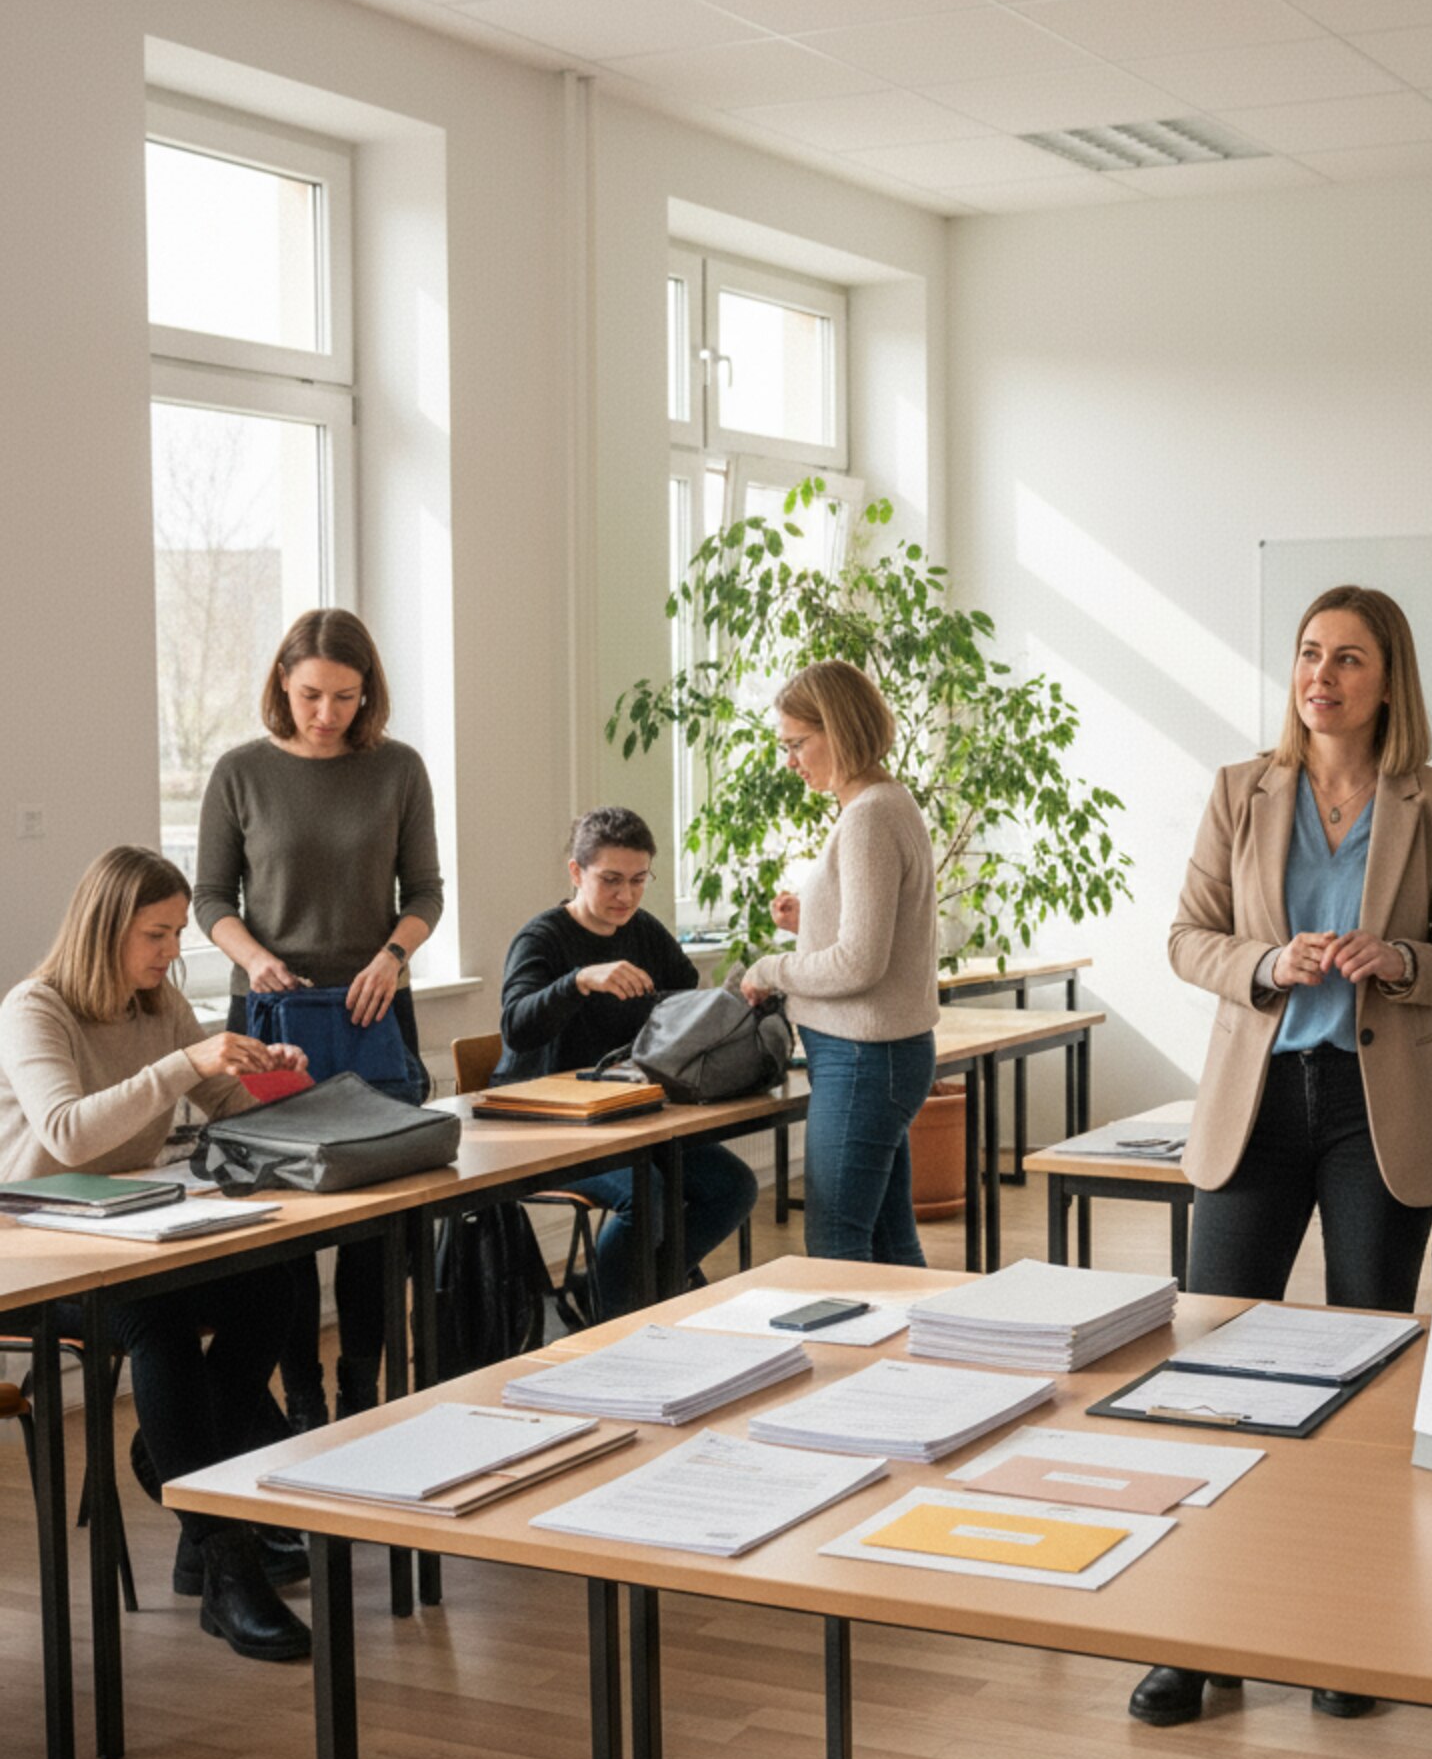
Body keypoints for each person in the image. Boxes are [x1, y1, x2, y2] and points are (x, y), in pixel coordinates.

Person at [1132, 583, 1432, 1731]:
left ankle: (1348, 1629)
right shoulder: (1242, 790)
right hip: (1258, 1099)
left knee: (1364, 1361)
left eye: (1345, 658)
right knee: (1211, 1360)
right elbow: (1187, 936)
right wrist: (1266, 962)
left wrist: (1394, 957)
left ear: (1387, 680)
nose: (1319, 676)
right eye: (1305, 654)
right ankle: (1196, 1635)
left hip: (1371, 1108)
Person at [0, 848, 315, 1661]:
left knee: (272, 1285)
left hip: (134, 1231)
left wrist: (274, 1076)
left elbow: (224, 1102)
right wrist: (184, 1062)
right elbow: (66, 1131)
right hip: (40, 1253)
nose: (170, 950)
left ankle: (174, 1456)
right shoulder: (35, 1008)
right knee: (159, 1319)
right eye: (156, 933)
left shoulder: (158, 1001)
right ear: (105, 927)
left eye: (177, 932)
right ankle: (224, 1557)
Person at [193, 607, 444, 1426]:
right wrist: (251, 955)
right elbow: (207, 897)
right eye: (309, 695)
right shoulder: (239, 772)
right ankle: (302, 1399)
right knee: (289, 1221)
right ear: (281, 684)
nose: (326, 714)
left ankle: (360, 1389)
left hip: (374, 1010)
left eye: (343, 696)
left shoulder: (398, 769)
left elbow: (426, 892)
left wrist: (392, 956)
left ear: (367, 692)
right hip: (270, 1014)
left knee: (374, 1221)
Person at [494, 806, 758, 1311]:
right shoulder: (542, 938)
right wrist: (578, 981)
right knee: (648, 1195)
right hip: (542, 1123)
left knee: (734, 1186)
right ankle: (616, 1311)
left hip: (622, 1115)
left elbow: (685, 1002)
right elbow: (517, 1026)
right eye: (611, 880)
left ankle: (624, 1290)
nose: (626, 896)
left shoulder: (644, 930)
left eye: (639, 880)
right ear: (576, 872)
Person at [738, 661, 938, 1263]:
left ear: (841, 729)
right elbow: (884, 934)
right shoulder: (889, 802)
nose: (791, 761)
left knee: (835, 1238)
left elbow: (858, 965)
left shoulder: (868, 817)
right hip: (881, 1055)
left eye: (798, 743)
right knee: (887, 1235)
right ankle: (919, 1358)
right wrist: (811, 921)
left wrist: (771, 967)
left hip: (862, 1057)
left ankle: (856, 1360)